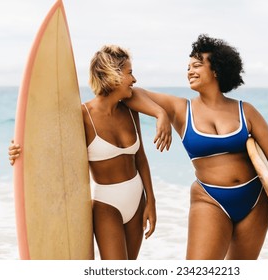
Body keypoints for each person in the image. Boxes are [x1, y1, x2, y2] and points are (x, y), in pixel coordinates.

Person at [130, 34, 268, 259]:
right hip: (209, 199)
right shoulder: (181, 109)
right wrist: (160, 113)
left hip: (255, 200)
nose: (189, 71)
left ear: (216, 70)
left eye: (197, 65)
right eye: (188, 67)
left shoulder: (246, 111)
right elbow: (131, 93)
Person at [9, 45, 172, 260]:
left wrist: (151, 201)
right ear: (113, 76)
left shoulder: (131, 111)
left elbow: (140, 158)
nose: (134, 79)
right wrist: (18, 152)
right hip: (107, 205)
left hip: (137, 199)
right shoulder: (83, 116)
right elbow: (50, 151)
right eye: (129, 73)